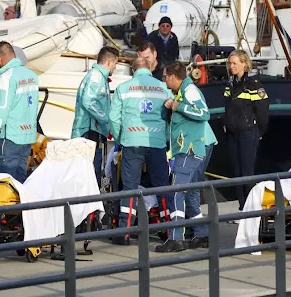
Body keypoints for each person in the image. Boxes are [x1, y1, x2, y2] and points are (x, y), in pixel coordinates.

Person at [108, 57, 172, 246]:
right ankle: (169, 230)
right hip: (157, 142)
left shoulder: (124, 88)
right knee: (162, 186)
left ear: (133, 70)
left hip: (132, 141)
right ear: (150, 68)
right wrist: (165, 138)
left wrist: (121, 137)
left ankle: (125, 232)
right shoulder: (162, 88)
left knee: (130, 187)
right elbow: (170, 117)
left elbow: (114, 118)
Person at [158, 62, 215, 252]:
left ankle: (176, 238)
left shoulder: (189, 91)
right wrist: (170, 108)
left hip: (193, 146)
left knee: (177, 190)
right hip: (198, 145)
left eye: (165, 77)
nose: (164, 80)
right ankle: (202, 234)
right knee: (190, 191)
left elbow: (203, 113)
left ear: (174, 77)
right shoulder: (182, 92)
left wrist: (177, 106)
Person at [223, 50, 269, 210]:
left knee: (247, 170)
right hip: (233, 132)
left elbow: (263, 110)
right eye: (230, 63)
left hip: (248, 132)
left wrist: (258, 131)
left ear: (244, 63)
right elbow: (227, 107)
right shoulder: (230, 84)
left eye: (235, 63)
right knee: (236, 170)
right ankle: (242, 206)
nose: (232, 66)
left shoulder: (254, 85)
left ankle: (250, 207)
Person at [0, 41, 39, 183]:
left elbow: (2, 110)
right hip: (27, 136)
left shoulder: (6, 78)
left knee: (5, 182)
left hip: (9, 137)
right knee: (20, 180)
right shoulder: (32, 76)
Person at [71, 46, 119, 182]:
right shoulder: (96, 77)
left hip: (91, 130)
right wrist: (106, 119)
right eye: (115, 63)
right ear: (109, 62)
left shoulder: (97, 76)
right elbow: (88, 101)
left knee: (90, 172)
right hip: (89, 131)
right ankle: (90, 201)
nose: (115, 67)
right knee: (91, 173)